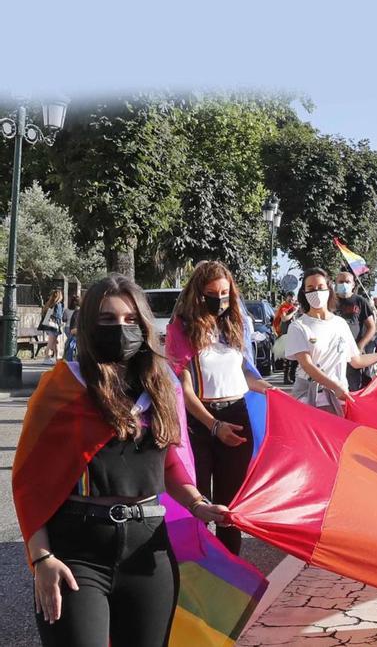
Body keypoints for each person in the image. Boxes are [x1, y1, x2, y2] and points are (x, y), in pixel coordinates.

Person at [15, 275, 230, 646]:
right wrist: (42, 558)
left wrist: (198, 503)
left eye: (131, 320)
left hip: (149, 553)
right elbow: (29, 482)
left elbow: (170, 463)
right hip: (75, 554)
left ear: (145, 326)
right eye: (108, 320)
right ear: (87, 326)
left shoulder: (163, 385)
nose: (121, 329)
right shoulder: (63, 385)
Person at [165, 261, 273, 555]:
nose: (221, 299)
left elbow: (246, 374)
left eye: (225, 292)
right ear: (198, 294)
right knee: (198, 501)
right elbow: (184, 388)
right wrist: (214, 425)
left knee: (230, 506)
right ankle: (196, 569)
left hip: (237, 417)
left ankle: (230, 572)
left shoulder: (235, 323)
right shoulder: (181, 328)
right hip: (199, 423)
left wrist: (269, 390)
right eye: (213, 293)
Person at [286, 268, 377, 414]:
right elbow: (307, 365)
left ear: (329, 289)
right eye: (310, 288)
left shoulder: (339, 323)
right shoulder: (299, 326)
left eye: (320, 287)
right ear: (304, 293)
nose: (316, 292)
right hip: (310, 399)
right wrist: (334, 386)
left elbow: (356, 360)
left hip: (339, 399)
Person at [332, 271, 377, 391]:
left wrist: (360, 346)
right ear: (335, 284)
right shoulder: (329, 301)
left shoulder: (360, 301)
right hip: (333, 353)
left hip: (353, 353)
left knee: (353, 388)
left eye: (347, 282)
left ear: (353, 285)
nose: (344, 284)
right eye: (340, 282)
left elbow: (372, 327)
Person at [39, 290, 65, 363]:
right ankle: (46, 358)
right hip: (54, 326)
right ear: (60, 296)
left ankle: (57, 358)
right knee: (51, 343)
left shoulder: (50, 303)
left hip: (49, 325)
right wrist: (60, 323)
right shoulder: (58, 305)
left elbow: (45, 315)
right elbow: (58, 316)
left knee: (55, 342)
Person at [63, 294, 82, 362]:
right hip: (75, 329)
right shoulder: (80, 311)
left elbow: (63, 319)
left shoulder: (67, 310)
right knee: (73, 345)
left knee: (70, 344)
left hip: (69, 328)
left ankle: (69, 360)